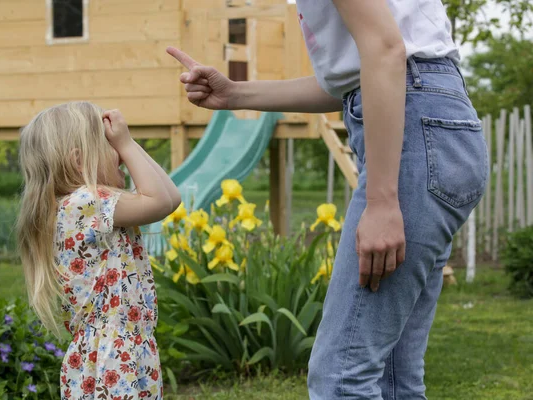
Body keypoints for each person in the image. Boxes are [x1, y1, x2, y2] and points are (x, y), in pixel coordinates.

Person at [166, 0, 489, 397]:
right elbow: (352, 77)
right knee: (392, 379)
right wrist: (235, 94)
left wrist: (384, 200)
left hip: (415, 132)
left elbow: (386, 51)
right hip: (435, 124)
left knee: (341, 376)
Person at [16, 102, 180, 399]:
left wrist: (128, 144)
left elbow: (171, 198)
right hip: (112, 358)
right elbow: (161, 202)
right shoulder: (84, 203)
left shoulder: (87, 206)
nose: (119, 152)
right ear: (79, 161)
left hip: (119, 350)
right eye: (108, 145)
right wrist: (127, 143)